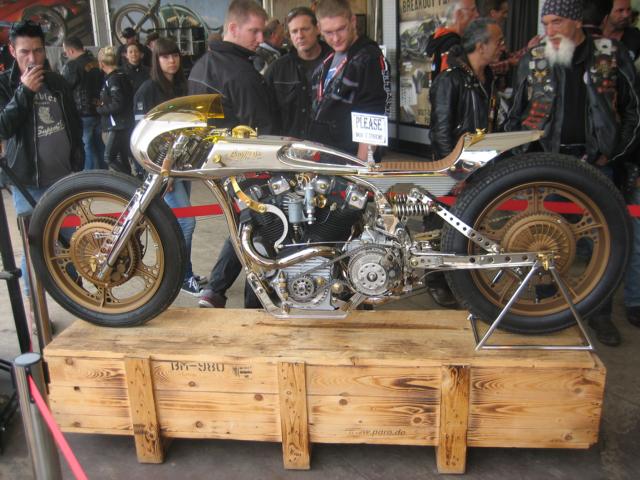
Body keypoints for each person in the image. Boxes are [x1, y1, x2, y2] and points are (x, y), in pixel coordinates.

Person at [506, 0, 640, 346]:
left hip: (597, 164)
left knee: (604, 244)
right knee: (544, 238)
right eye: (546, 23)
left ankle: (600, 314)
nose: (549, 31)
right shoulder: (534, 58)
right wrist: (518, 160)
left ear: (577, 21)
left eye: (557, 22)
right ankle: (548, 304)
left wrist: (615, 152)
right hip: (548, 165)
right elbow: (515, 113)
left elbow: (633, 110)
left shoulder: (612, 54)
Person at [189, 0, 278, 309]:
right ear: (233, 28)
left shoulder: (202, 66)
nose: (260, 39)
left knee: (243, 227)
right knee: (261, 234)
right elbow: (264, 132)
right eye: (254, 31)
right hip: (251, 168)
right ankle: (254, 306)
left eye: (262, 32)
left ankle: (215, 291)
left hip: (220, 166)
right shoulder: (241, 74)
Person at [0, 21, 84, 294]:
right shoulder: (5, 85)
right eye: (25, 52)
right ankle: (34, 306)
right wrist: (24, 92)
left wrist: (77, 162)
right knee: (34, 247)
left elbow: (74, 124)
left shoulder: (57, 82)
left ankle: (77, 296)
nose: (32, 58)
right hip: (27, 182)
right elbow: (3, 127)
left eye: (37, 50)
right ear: (12, 51)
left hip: (64, 178)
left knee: (73, 242)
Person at [133, 37, 202, 296]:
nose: (171, 60)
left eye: (174, 55)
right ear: (156, 59)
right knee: (186, 223)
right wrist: (161, 170)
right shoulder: (147, 90)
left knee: (178, 223)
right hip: (162, 168)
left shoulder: (182, 86)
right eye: (165, 56)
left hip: (182, 164)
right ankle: (182, 276)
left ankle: (183, 273)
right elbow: (142, 136)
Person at [308, 0, 390, 161]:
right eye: (328, 32)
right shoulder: (329, 58)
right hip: (325, 157)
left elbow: (373, 116)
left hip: (349, 161)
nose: (336, 38)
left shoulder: (369, 58)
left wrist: (360, 167)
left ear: (353, 21)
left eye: (341, 29)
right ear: (319, 28)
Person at [430, 18, 504, 158]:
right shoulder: (449, 80)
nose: (503, 48)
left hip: (485, 163)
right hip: (460, 166)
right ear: (481, 47)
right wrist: (453, 168)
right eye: (499, 42)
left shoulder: (490, 78)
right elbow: (440, 135)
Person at [264, 6, 332, 138]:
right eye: (294, 31)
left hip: (330, 147)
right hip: (290, 146)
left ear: (317, 29)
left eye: (305, 29)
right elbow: (267, 115)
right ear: (289, 36)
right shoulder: (277, 70)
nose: (300, 36)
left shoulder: (337, 64)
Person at [61, 36, 105, 170]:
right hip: (99, 110)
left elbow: (64, 88)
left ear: (70, 51)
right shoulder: (96, 62)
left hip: (82, 113)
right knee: (99, 144)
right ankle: (104, 174)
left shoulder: (72, 66)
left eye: (65, 52)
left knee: (86, 146)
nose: (66, 55)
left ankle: (88, 177)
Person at [96, 46, 134, 175]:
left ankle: (131, 180)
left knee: (109, 157)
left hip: (117, 125)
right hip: (125, 123)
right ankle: (129, 180)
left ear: (101, 63)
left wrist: (100, 109)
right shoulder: (122, 75)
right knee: (122, 157)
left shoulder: (112, 79)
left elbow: (118, 104)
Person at [426, 0, 479, 81]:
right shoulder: (453, 45)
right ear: (459, 14)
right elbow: (452, 82)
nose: (477, 15)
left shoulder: (440, 39)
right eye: (473, 10)